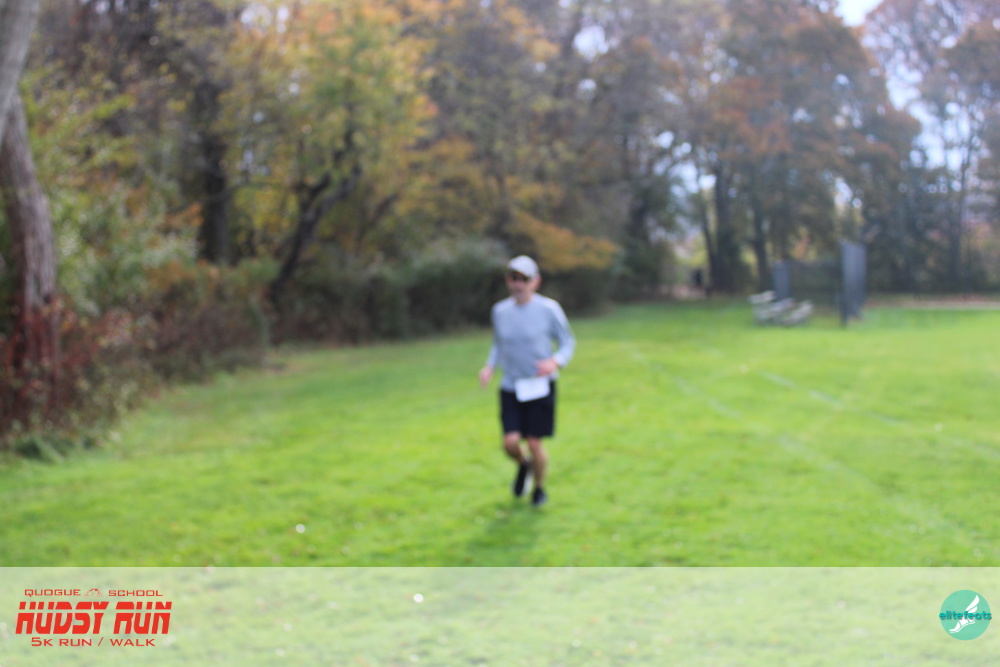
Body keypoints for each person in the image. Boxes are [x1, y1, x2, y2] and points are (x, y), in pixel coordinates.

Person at [478, 255, 576, 507]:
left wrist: (556, 361)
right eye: (513, 278)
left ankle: (539, 489)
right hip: (511, 386)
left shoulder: (549, 309)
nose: (518, 284)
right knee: (510, 442)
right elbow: (498, 344)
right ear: (507, 281)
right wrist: (490, 366)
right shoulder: (500, 311)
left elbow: (567, 342)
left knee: (534, 442)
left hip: (540, 386)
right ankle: (524, 465)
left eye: (524, 279)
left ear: (536, 282)